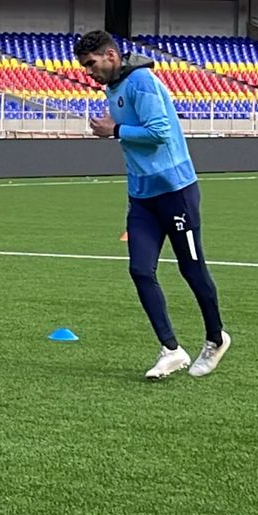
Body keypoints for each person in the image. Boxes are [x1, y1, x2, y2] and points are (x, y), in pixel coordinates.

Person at [76, 29, 229, 379]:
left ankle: (216, 337)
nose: (89, 71)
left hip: (175, 191)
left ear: (111, 56)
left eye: (91, 63)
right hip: (142, 197)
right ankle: (171, 350)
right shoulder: (114, 88)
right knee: (141, 270)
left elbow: (159, 132)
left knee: (191, 268)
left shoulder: (141, 82)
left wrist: (114, 131)